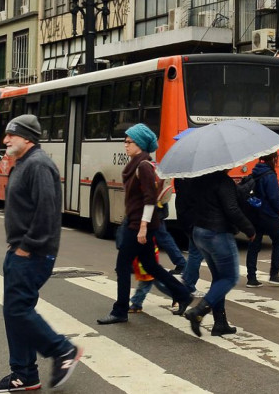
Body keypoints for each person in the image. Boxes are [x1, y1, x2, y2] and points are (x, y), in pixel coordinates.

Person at [0, 114, 82, 392]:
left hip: (33, 253)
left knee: (18, 310)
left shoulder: (39, 165)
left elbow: (47, 212)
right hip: (20, 251)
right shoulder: (24, 164)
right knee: (15, 312)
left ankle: (63, 350)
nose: (5, 140)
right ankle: (24, 373)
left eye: (11, 135)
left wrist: (26, 247)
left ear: (28, 137)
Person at [97, 124, 191, 325]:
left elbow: (149, 199)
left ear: (139, 144)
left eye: (129, 141)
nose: (125, 145)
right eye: (126, 141)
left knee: (122, 266)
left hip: (139, 226)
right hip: (139, 223)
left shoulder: (143, 167)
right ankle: (183, 294)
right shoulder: (137, 165)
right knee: (150, 265)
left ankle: (120, 310)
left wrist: (142, 227)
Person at [182, 170, 255, 337]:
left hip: (199, 232)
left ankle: (220, 323)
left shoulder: (198, 180)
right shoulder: (223, 182)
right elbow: (232, 209)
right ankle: (198, 311)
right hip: (217, 234)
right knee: (230, 278)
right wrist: (249, 229)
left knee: (219, 278)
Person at [245, 153, 279, 288]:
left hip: (255, 213)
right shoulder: (270, 175)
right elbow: (274, 196)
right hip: (268, 214)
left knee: (254, 244)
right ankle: (274, 274)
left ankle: (251, 278)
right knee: (278, 240)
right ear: (273, 159)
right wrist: (278, 209)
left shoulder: (255, 172)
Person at [173, 178, 205, 299]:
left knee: (195, 252)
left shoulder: (180, 179)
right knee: (197, 253)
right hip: (194, 220)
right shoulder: (192, 182)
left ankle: (186, 282)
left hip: (186, 219)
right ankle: (188, 284)